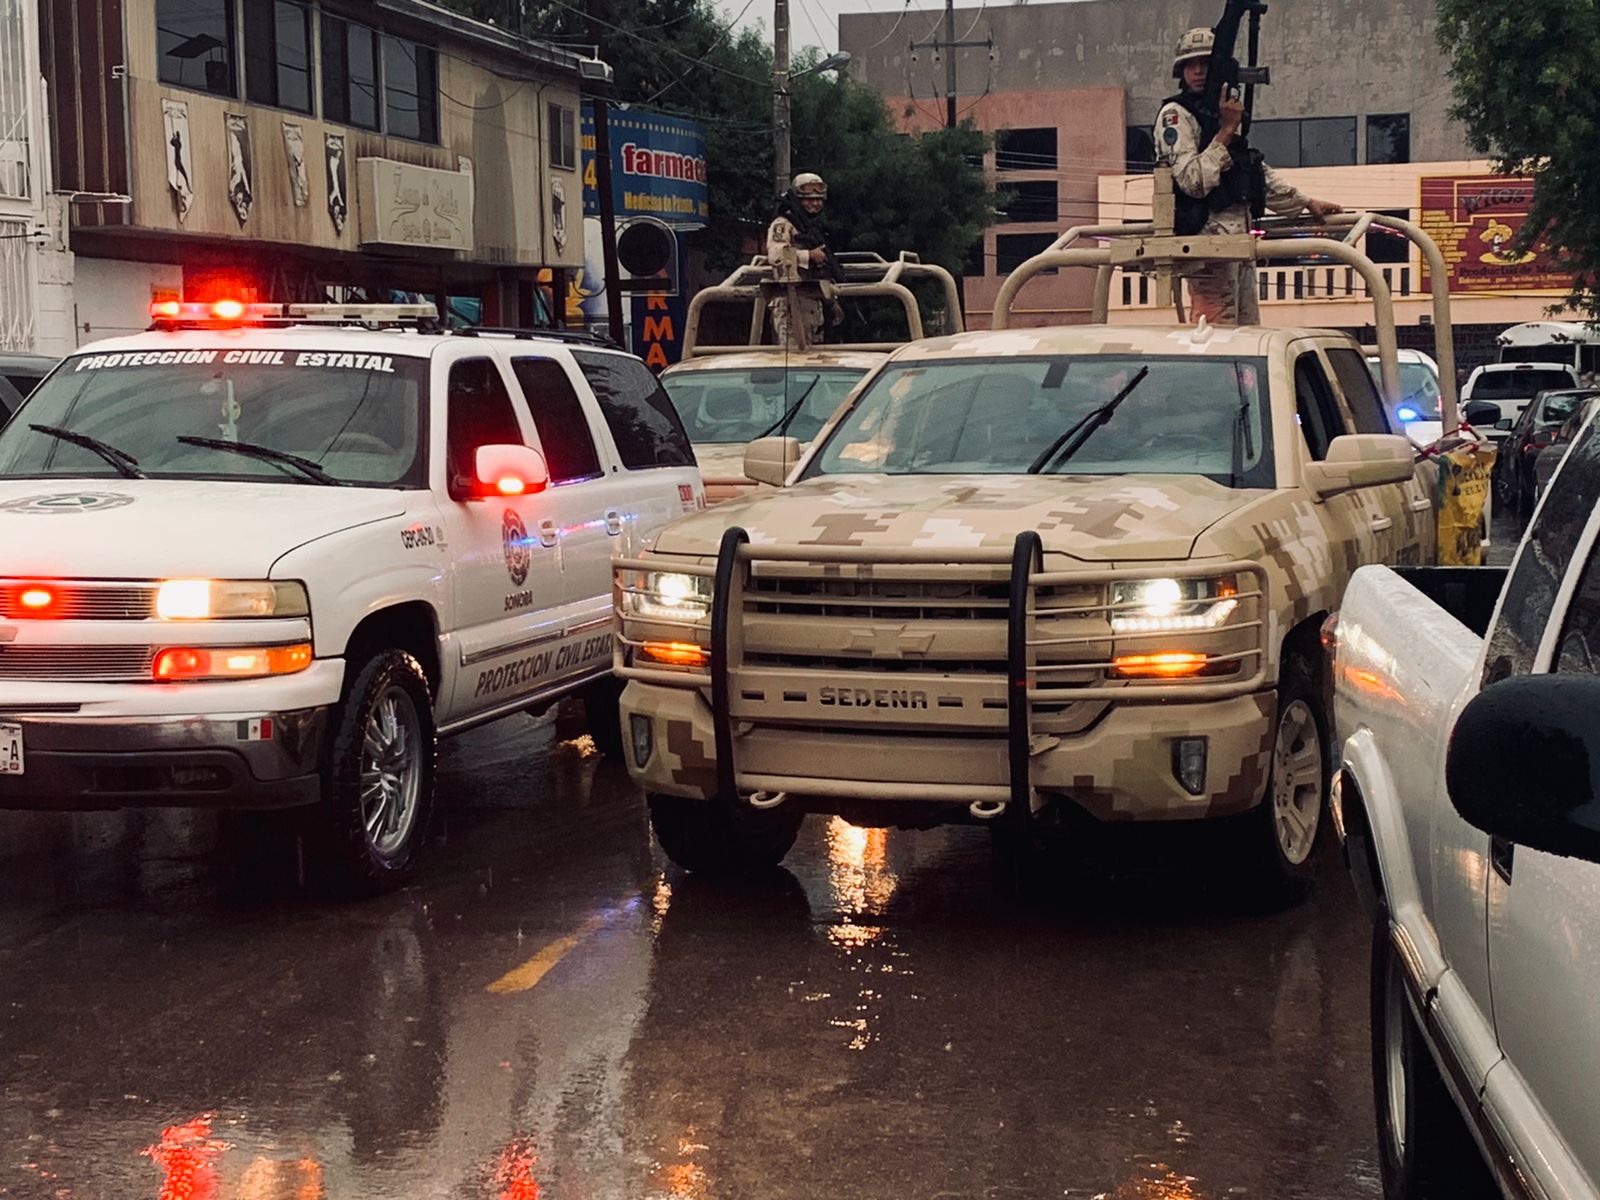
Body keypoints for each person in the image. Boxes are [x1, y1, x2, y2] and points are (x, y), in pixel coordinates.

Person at [1155, 27, 1344, 325]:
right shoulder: (1177, 115)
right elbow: (1192, 180)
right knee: (1216, 337)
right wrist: (1226, 131)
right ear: (1182, 71)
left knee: (1247, 334)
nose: (1199, 71)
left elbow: (1250, 171)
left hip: (1237, 244)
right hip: (1206, 246)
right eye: (1192, 64)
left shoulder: (1218, 112)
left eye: (1207, 63)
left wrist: (1306, 203)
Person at [766, 173, 839, 348]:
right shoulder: (783, 224)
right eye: (809, 199)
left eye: (819, 199)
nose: (815, 203)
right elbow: (775, 255)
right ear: (798, 199)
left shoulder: (813, 227)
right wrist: (809, 255)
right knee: (795, 361)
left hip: (814, 301)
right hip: (791, 302)